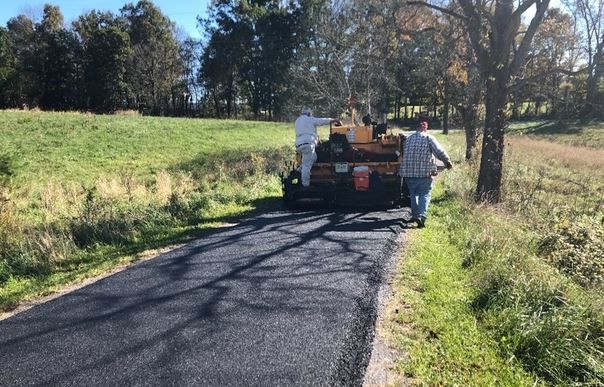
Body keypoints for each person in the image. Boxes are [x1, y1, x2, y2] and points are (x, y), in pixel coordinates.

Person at [399, 119, 452, 228]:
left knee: (413, 195)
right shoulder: (429, 138)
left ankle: (415, 215)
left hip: (408, 173)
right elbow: (439, 151)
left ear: (416, 127)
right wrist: (447, 162)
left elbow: (402, 154)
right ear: (425, 128)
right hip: (424, 172)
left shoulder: (409, 139)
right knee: (424, 194)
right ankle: (422, 216)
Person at [295, 107, 341, 187]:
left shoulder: (297, 121)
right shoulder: (310, 119)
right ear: (309, 114)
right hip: (308, 144)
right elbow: (322, 121)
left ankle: (299, 170)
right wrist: (334, 120)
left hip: (299, 143)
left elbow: (305, 130)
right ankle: (305, 186)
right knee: (307, 165)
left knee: (313, 157)